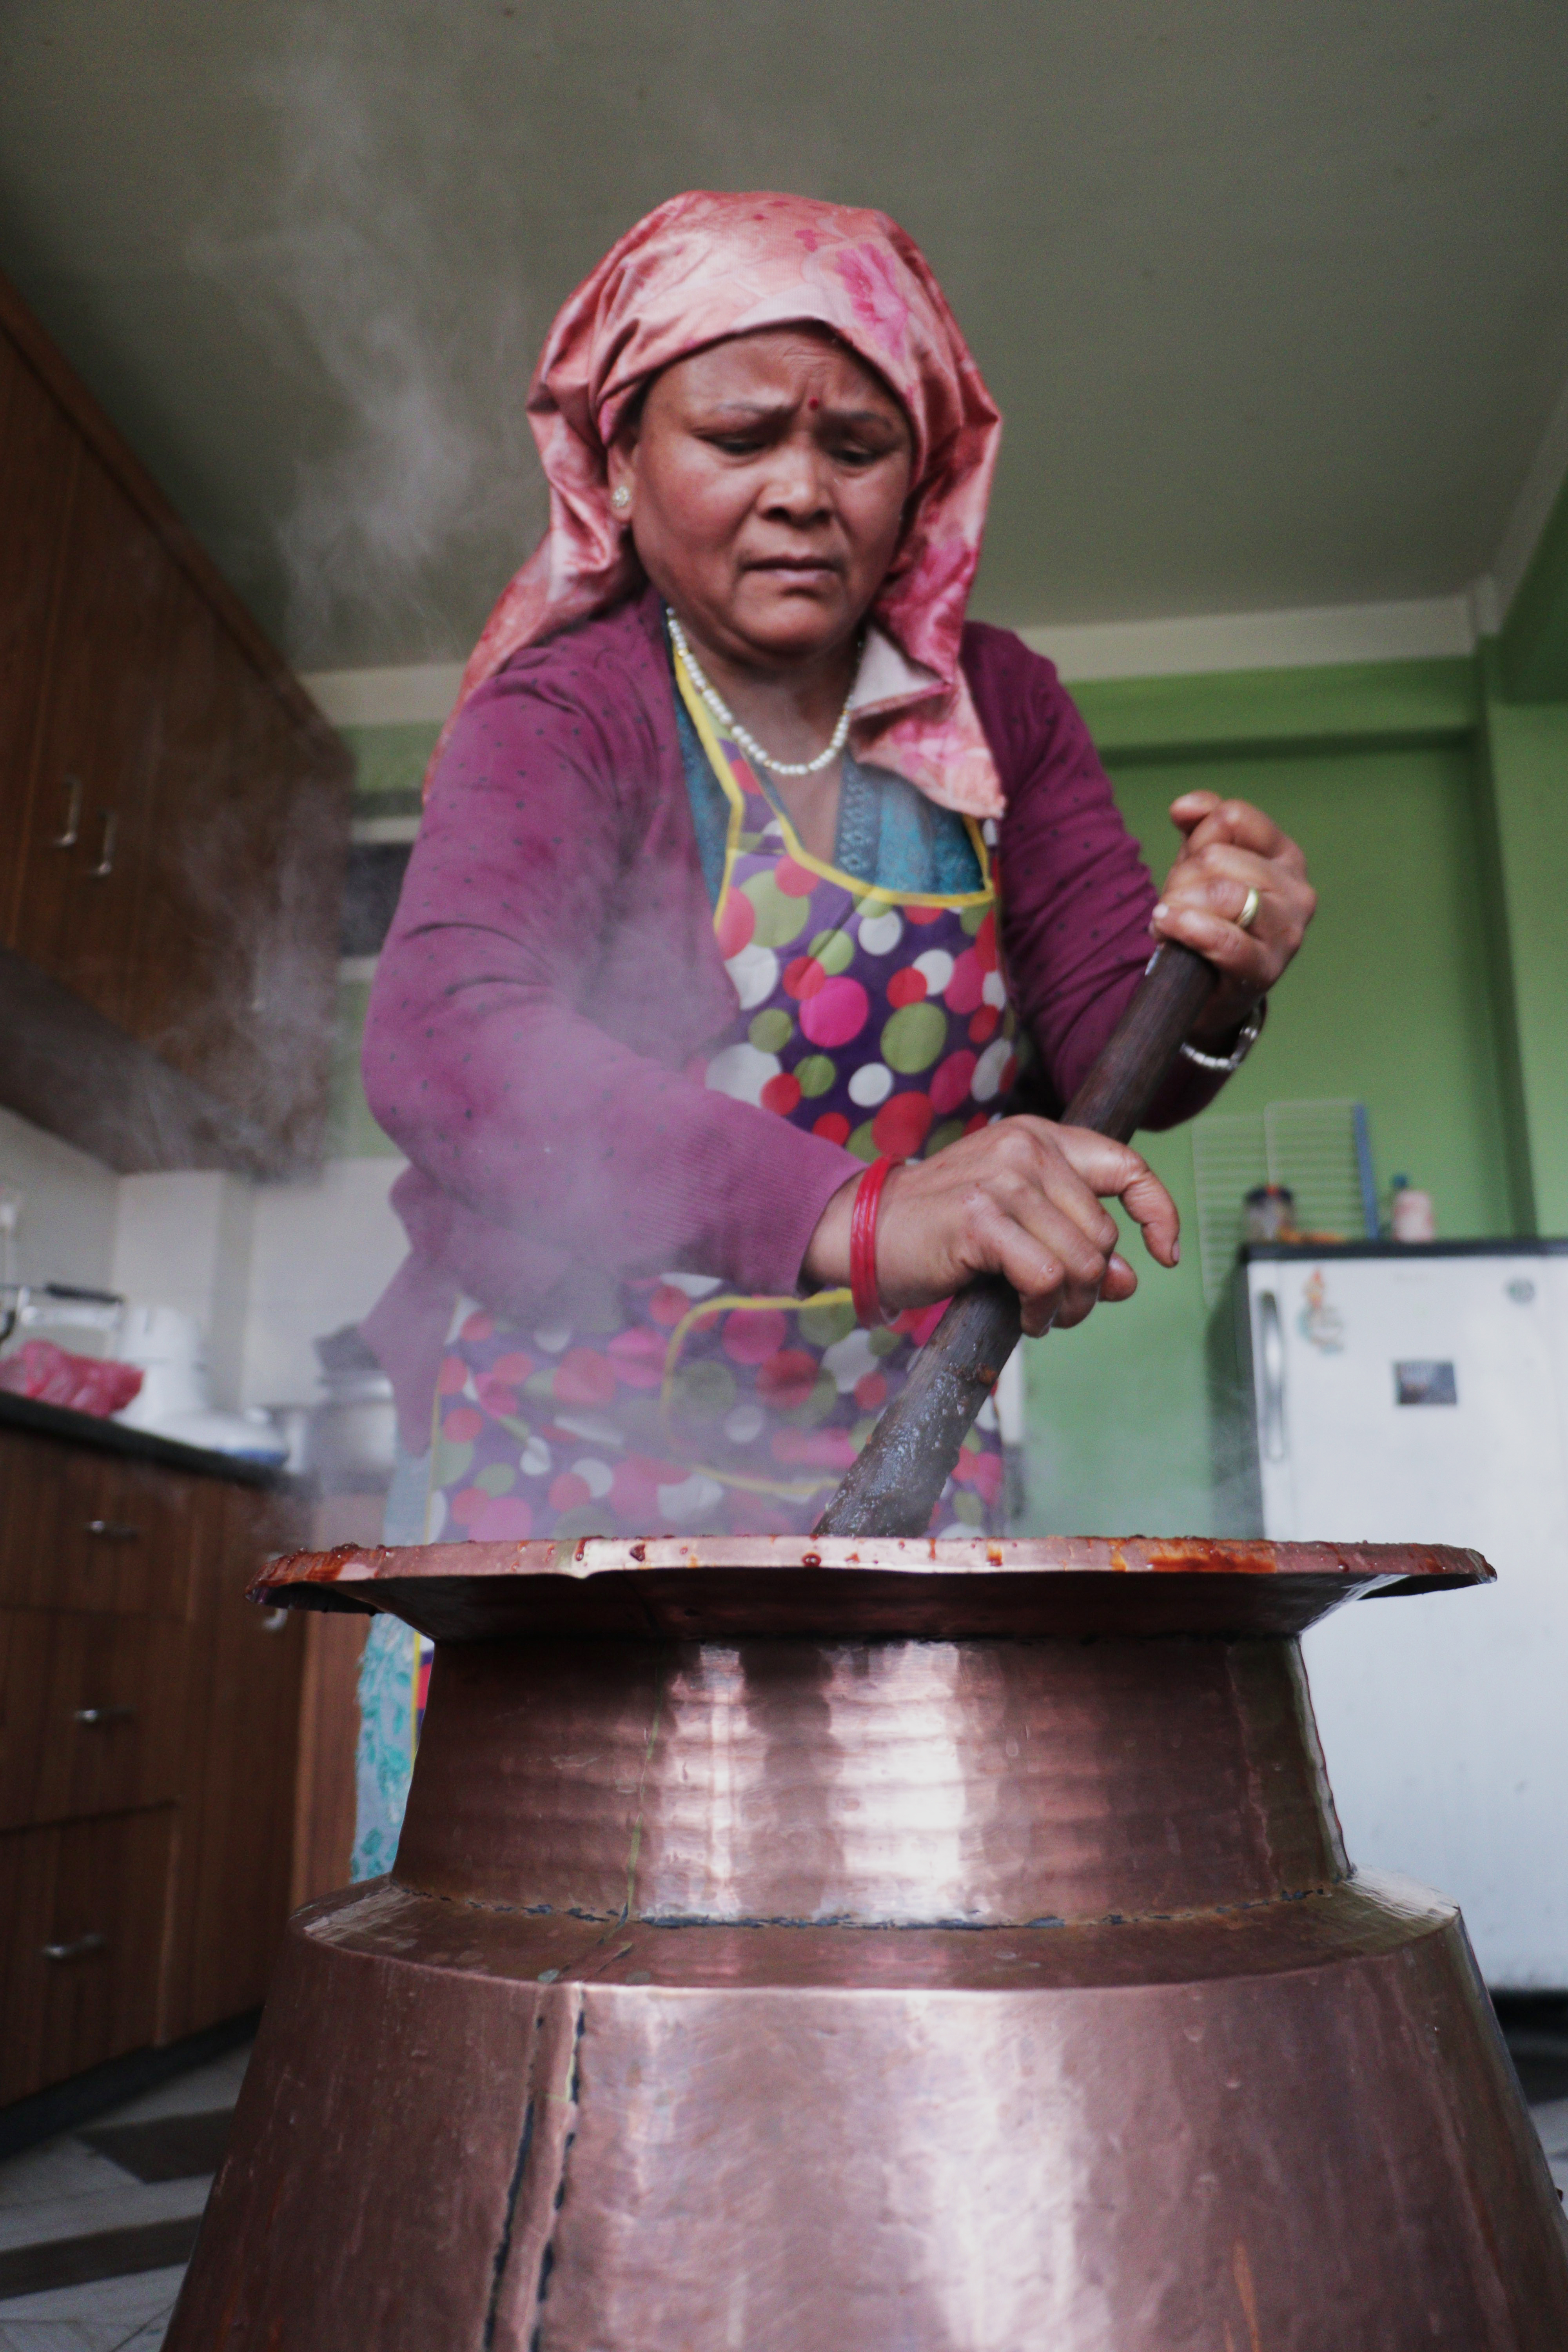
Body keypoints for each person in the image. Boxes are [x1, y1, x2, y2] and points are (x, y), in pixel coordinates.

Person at [349, 189, 1316, 1875]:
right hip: (565, 1477)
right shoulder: (570, 710)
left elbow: (1119, 1054)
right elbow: (449, 1039)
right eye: (740, 436)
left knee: (875, 1921)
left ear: (918, 481)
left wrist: (1220, 981)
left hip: (896, 1466)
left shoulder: (999, 710)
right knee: (548, 1944)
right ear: (619, 462)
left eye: (857, 445)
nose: (803, 488)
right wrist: (872, 1215)